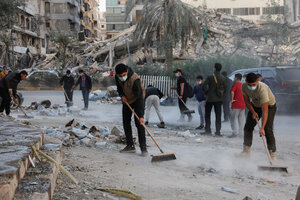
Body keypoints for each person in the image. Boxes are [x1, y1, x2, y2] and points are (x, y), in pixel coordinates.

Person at [241, 73, 277, 160]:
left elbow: (265, 111)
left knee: (267, 129)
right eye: (249, 85)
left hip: (269, 106)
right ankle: (246, 151)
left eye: (254, 84)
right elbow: (247, 102)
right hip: (255, 106)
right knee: (248, 127)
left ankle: (272, 154)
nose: (252, 86)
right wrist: (253, 112)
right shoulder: (244, 86)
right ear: (246, 81)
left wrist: (262, 128)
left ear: (257, 81)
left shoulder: (262, 89)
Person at [115, 63, 148, 156]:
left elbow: (140, 98)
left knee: (139, 123)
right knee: (126, 122)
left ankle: (143, 149)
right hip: (127, 100)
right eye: (120, 76)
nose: (122, 77)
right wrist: (122, 95)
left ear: (127, 71)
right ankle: (130, 146)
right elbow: (119, 88)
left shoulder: (135, 79)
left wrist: (141, 116)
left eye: (124, 75)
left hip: (138, 99)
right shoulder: (117, 77)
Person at [202, 63, 227, 136]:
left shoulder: (210, 77)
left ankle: (208, 130)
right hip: (219, 99)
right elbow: (225, 89)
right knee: (218, 116)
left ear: (215, 68)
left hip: (210, 99)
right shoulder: (223, 78)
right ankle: (218, 132)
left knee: (207, 115)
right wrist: (221, 94)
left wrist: (206, 92)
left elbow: (203, 85)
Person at [229, 73, 245, 138]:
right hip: (243, 105)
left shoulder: (236, 85)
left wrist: (232, 99)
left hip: (236, 105)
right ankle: (241, 134)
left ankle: (235, 133)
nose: (234, 78)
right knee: (241, 120)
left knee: (233, 119)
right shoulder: (243, 85)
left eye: (234, 77)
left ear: (236, 78)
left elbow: (232, 92)